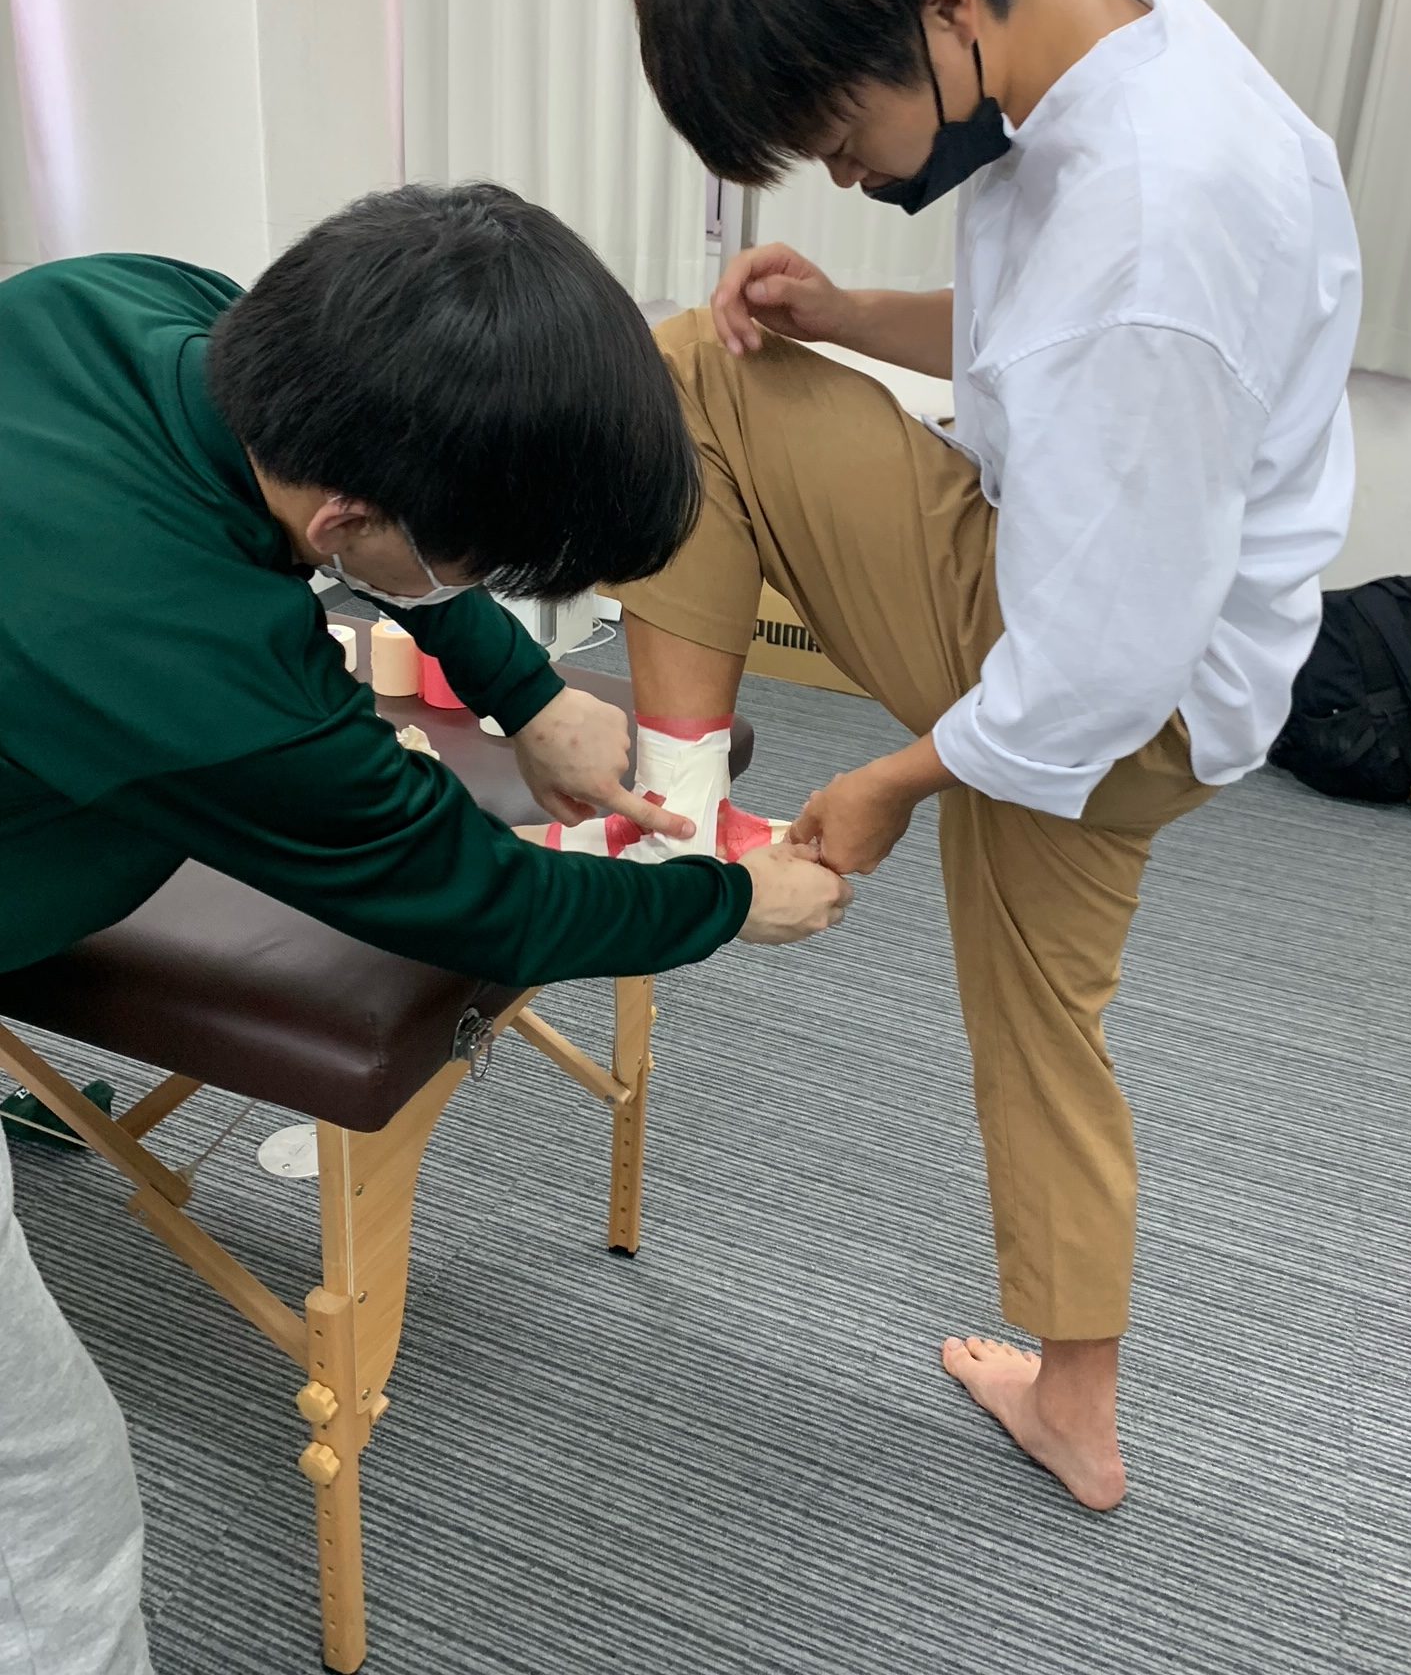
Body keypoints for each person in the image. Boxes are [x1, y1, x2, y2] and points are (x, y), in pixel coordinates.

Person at [588, 0, 1359, 1509]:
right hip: (1160, 636)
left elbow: (1099, 659)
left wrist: (882, 784)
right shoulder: (1099, 12)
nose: (847, 173)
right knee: (1041, 1006)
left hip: (1117, 668)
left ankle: (680, 821)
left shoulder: (1157, 224)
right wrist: (848, 314)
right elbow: (1047, 329)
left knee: (695, 370)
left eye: (836, 131)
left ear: (944, 9)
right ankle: (1076, 1405)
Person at [0, 179, 849, 1668]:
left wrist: (527, 694)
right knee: (53, 1513)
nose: (478, 593)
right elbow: (485, 901)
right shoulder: (210, 666)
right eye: (481, 572)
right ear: (351, 519)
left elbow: (374, 534)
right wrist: (730, 900)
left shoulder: (130, 304)